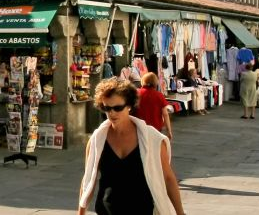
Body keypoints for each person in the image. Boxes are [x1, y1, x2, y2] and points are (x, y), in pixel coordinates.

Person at [79, 79, 185, 215]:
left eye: (117, 108)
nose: (112, 113)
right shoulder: (97, 140)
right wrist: (80, 213)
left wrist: (180, 212)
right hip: (106, 210)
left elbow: (168, 178)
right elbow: (88, 179)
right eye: (107, 108)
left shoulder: (153, 139)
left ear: (129, 105)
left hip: (141, 210)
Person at [135, 73, 173, 140]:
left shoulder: (136, 93)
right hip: (155, 128)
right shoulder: (159, 95)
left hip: (139, 127)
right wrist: (169, 130)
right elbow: (165, 114)